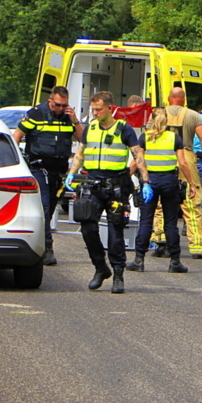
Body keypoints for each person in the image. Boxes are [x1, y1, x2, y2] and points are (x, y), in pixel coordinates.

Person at [65, 91, 148, 293]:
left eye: (99, 109)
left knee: (115, 233)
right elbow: (80, 153)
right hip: (93, 184)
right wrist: (71, 173)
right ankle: (100, 268)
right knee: (87, 227)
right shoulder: (90, 128)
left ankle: (118, 275)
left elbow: (138, 155)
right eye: (93, 109)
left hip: (116, 186)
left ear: (109, 108)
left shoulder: (124, 129)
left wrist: (146, 181)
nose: (95, 113)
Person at [13, 86, 83, 266]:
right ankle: (47, 248)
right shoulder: (36, 114)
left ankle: (41, 242)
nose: (60, 109)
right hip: (39, 167)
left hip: (59, 170)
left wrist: (75, 121)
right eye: (57, 105)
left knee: (51, 208)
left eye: (64, 105)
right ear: (50, 101)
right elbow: (17, 136)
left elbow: (84, 139)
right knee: (44, 208)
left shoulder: (69, 117)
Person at [126, 108, 199, 274]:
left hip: (149, 182)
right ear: (167, 121)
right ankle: (175, 262)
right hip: (169, 182)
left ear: (151, 120)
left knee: (146, 221)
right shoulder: (174, 138)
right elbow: (183, 164)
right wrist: (191, 184)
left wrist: (126, 179)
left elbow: (138, 161)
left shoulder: (145, 137)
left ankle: (139, 260)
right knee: (171, 223)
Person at [152, 87, 202, 259]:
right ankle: (197, 247)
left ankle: (160, 242)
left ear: (169, 99)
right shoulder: (193, 115)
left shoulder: (158, 114)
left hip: (163, 157)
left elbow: (150, 135)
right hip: (186, 156)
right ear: (183, 99)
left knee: (161, 201)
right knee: (192, 201)